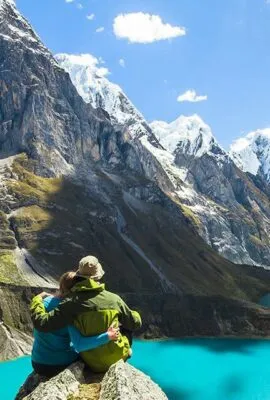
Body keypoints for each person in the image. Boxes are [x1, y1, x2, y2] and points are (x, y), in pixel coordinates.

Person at [30, 256, 142, 373]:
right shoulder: (114, 299)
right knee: (126, 326)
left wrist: (37, 299)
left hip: (45, 362)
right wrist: (109, 334)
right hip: (111, 356)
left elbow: (43, 323)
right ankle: (125, 351)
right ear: (98, 275)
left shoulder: (68, 304)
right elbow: (135, 323)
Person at [31, 271, 119, 377]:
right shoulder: (70, 309)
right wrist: (107, 336)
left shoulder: (44, 302)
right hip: (58, 365)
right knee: (89, 358)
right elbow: (79, 344)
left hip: (37, 362)